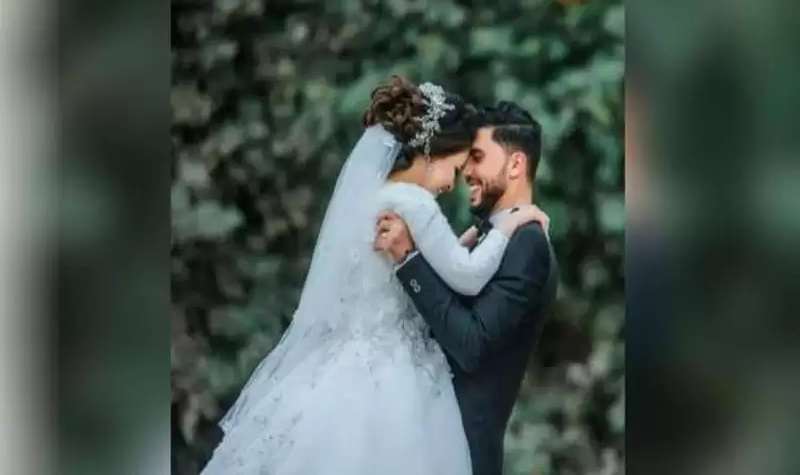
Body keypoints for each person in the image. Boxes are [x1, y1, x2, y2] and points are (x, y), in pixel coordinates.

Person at [200, 76, 549, 475]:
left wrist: (464, 239)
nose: (452, 183)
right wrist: (508, 226)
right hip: (394, 376)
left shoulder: (373, 197)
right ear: (432, 155)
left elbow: (429, 262)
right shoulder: (416, 203)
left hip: (341, 366)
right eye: (454, 168)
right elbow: (466, 276)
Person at [374, 102, 559, 475]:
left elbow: (471, 346)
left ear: (515, 165)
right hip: (424, 441)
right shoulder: (489, 239)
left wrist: (408, 259)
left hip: (461, 452)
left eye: (477, 158)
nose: (466, 172)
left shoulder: (527, 243)